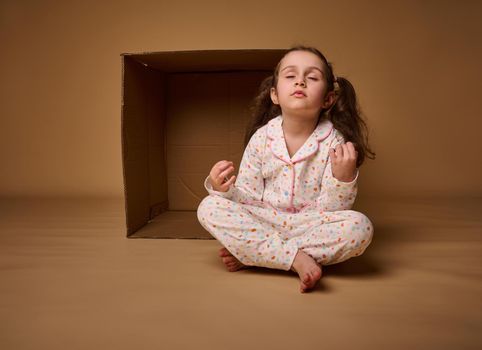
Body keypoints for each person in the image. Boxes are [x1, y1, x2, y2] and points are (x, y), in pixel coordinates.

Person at [197, 45, 376, 293]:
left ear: (328, 99)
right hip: (264, 220)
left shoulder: (335, 142)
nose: (300, 82)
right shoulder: (262, 138)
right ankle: (291, 258)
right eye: (290, 76)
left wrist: (343, 179)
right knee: (209, 206)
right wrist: (223, 189)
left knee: (361, 228)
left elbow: (332, 211)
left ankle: (258, 255)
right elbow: (248, 196)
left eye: (312, 77)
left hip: (310, 224)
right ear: (274, 95)